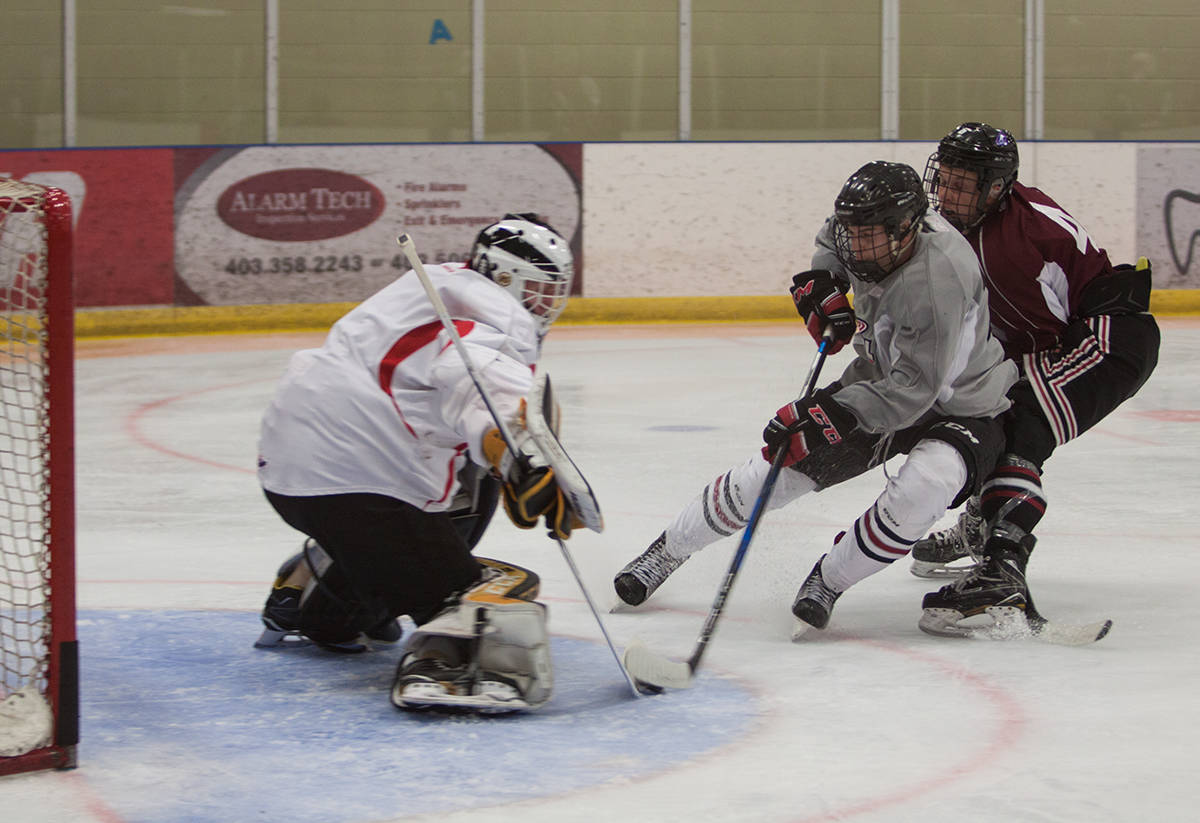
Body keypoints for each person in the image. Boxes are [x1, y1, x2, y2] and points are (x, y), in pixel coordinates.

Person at [613, 161, 1018, 634]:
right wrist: (825, 282)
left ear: (907, 229)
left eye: (868, 236)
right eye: (853, 232)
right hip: (878, 381)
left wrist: (834, 412)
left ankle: (829, 580)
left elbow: (914, 392)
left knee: (927, 486)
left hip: (962, 404)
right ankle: (665, 552)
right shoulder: (866, 228)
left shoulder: (938, 278)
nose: (855, 246)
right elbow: (832, 239)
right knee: (775, 469)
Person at [254, 213, 579, 712]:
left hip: (289, 470)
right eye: (538, 289)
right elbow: (473, 377)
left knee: (457, 484)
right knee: (491, 600)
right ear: (504, 275)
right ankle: (446, 660)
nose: (547, 304)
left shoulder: (432, 284)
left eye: (555, 292)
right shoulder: (499, 312)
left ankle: (316, 594)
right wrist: (520, 454)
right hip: (364, 483)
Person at [914, 123, 1160, 635]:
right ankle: (982, 522)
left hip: (1108, 338)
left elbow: (1051, 327)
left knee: (1022, 419)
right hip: (1061, 340)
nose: (948, 193)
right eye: (947, 179)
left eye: (964, 184)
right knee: (981, 411)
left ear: (997, 188)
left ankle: (1002, 566)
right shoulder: (957, 224)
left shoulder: (1025, 235)